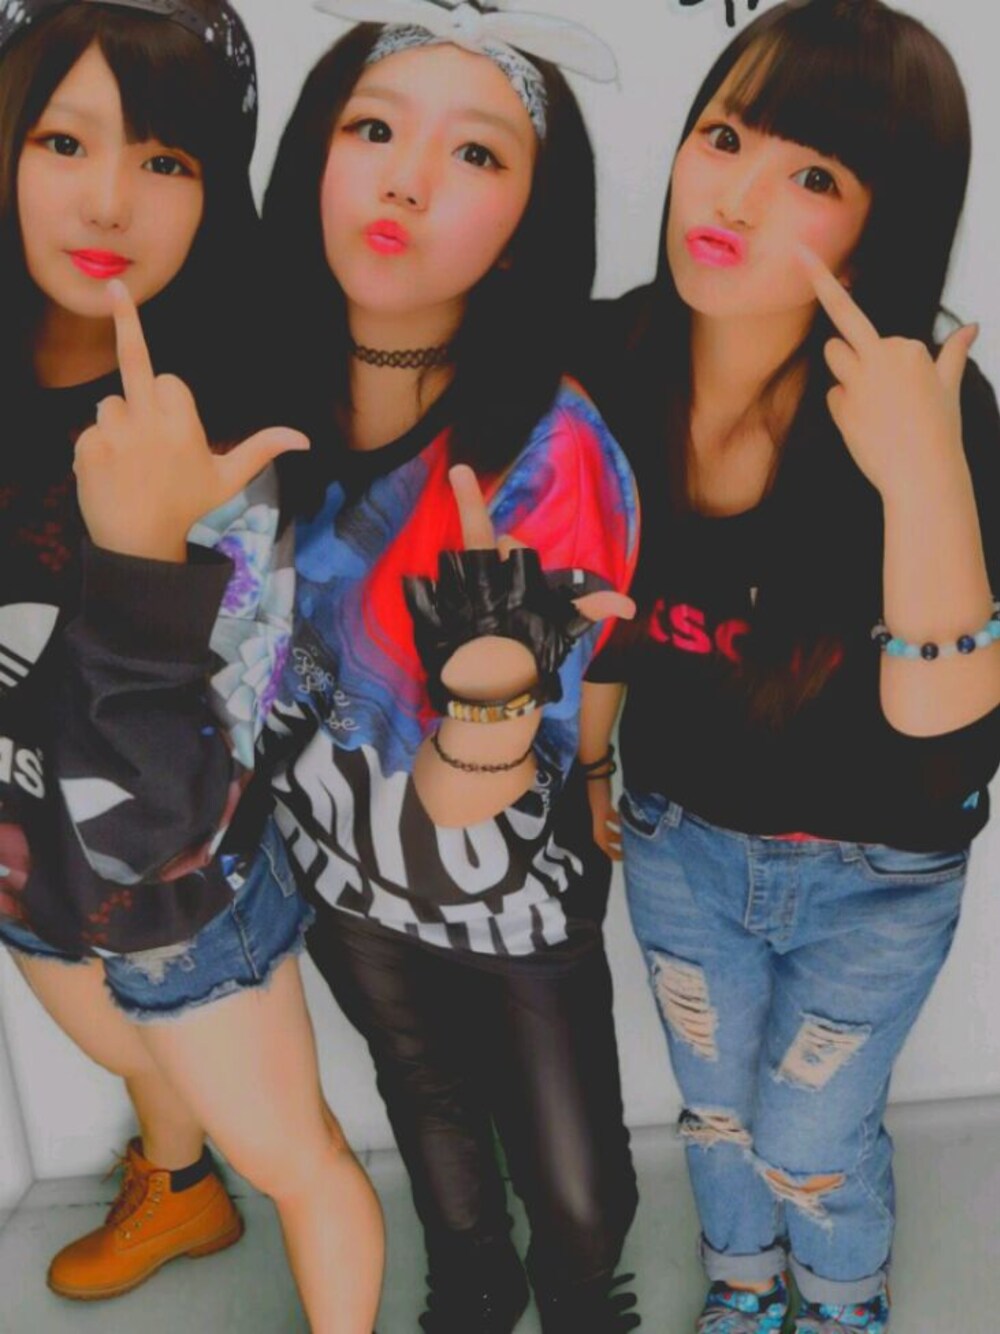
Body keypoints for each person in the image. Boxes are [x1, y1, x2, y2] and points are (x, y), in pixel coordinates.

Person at [575, 1, 1000, 1331]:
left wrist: (923, 476)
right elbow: (600, 598)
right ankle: (746, 1284)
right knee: (715, 1106)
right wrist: (587, 757)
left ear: (885, 220)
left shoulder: (927, 402)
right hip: (680, 839)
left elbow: (945, 734)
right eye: (724, 137)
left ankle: (842, 1294)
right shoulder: (611, 359)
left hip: (880, 869)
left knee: (814, 1123)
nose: (738, 195)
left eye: (814, 174)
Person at [256, 2, 641, 1329]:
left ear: (530, 219)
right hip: (337, 864)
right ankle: (471, 1286)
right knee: (426, 1105)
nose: (407, 180)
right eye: (372, 129)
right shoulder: (249, 401)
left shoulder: (553, 455)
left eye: (476, 152)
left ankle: (577, 1299)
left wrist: (485, 679)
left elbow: (488, 785)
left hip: (507, 888)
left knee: (580, 1196)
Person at [0, 3, 383, 1328]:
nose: (110, 199)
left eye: (166, 159)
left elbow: (192, 772)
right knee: (130, 1051)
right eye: (63, 140)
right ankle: (175, 1187)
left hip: (172, 877)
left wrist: (145, 555)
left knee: (294, 1156)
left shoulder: (229, 419)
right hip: (22, 840)